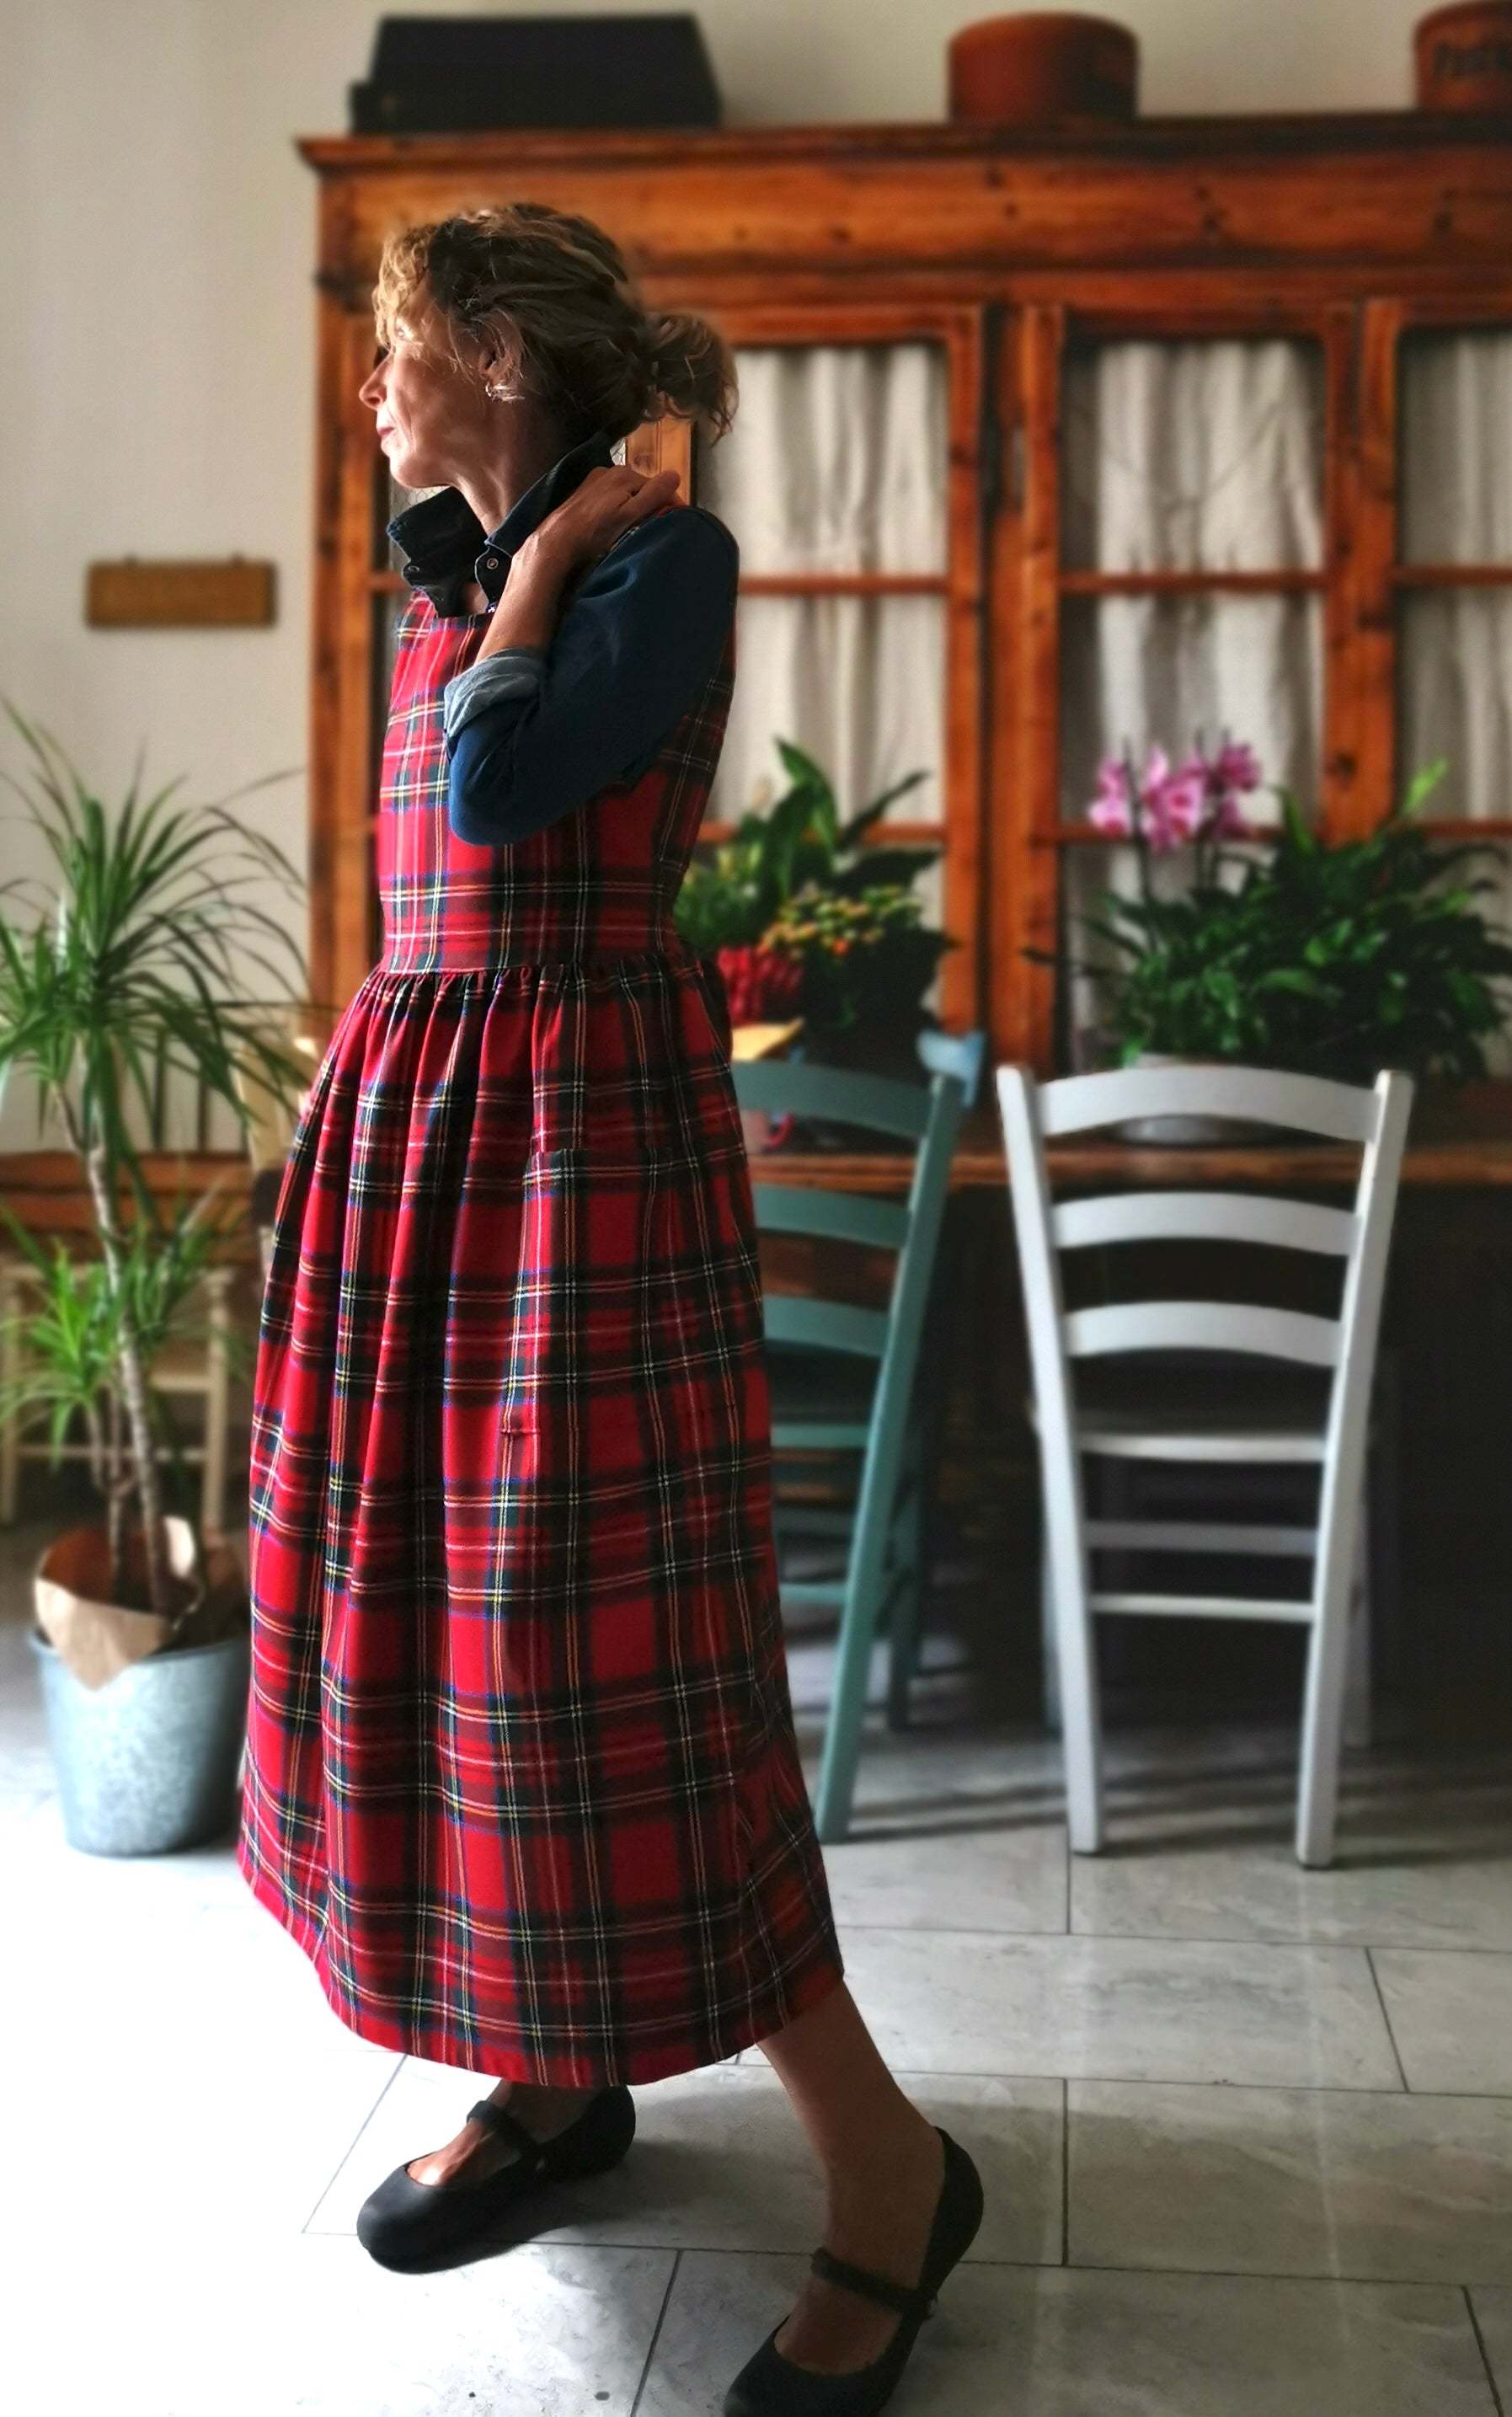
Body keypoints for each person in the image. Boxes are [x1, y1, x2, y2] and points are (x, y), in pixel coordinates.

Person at [237, 200, 980, 2417]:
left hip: (576, 1147)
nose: (367, 387)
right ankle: (557, 2076)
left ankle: (890, 2173)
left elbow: (490, 788)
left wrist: (552, 561)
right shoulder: (457, 568)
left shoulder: (659, 563)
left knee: (607, 1661)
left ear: (493, 351)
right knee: (452, 1635)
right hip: (427, 1132)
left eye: (394, 344)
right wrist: (516, 563)